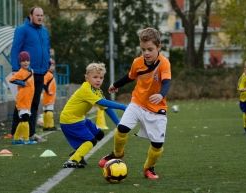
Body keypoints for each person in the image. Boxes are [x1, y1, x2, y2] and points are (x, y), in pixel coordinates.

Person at [98, 27, 171, 180]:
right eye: (143, 49)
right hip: (137, 103)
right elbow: (130, 76)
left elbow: (166, 82)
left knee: (157, 146)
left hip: (157, 110)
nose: (146, 53)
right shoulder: (137, 62)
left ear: (159, 47)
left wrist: (161, 94)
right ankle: (117, 154)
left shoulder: (164, 63)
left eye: (150, 49)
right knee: (122, 128)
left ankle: (148, 168)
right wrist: (116, 84)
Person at [60, 62, 127, 168]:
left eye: (101, 77)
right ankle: (73, 160)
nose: (98, 80)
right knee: (91, 140)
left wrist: (118, 124)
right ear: (87, 78)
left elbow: (107, 108)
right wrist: (123, 107)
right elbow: (103, 103)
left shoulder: (97, 91)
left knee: (99, 134)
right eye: (95, 77)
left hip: (80, 119)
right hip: (70, 121)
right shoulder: (86, 89)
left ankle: (77, 153)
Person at [10, 6, 51, 142]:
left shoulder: (44, 31)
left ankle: (29, 133)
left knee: (34, 104)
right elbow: (15, 48)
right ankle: (19, 132)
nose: (40, 17)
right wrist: (16, 69)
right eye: (37, 15)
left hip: (40, 73)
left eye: (42, 15)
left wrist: (47, 65)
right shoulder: (22, 30)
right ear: (31, 15)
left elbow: (45, 49)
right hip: (27, 73)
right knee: (23, 103)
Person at [9, 51, 37, 145]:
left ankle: (16, 139)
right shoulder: (21, 72)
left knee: (23, 120)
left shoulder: (30, 71)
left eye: (27, 60)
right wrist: (22, 83)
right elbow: (11, 79)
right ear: (20, 62)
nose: (25, 62)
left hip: (28, 100)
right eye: (23, 61)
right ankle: (26, 139)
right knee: (25, 119)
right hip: (22, 99)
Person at [42, 63, 57, 131]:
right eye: (52, 66)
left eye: (53, 66)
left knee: (46, 110)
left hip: (47, 95)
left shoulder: (48, 74)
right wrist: (48, 91)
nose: (53, 67)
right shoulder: (48, 74)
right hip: (49, 95)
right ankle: (50, 126)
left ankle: (46, 126)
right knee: (49, 110)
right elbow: (44, 84)